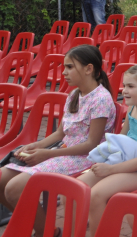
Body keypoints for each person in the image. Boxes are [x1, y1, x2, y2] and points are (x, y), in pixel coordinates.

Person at [0, 46, 115, 236]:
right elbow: (61, 133)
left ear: (88, 69)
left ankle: (46, 232)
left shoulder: (101, 99)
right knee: (1, 180)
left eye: (70, 67)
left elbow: (91, 144)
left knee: (13, 188)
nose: (64, 72)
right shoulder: (74, 94)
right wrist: (36, 146)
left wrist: (47, 154)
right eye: (64, 67)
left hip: (84, 157)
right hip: (63, 151)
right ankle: (43, 225)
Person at [79, 63, 137, 231]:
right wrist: (108, 160)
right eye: (124, 85)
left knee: (96, 195)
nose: (124, 90)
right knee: (80, 185)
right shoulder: (133, 108)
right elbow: (121, 140)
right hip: (128, 161)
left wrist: (111, 170)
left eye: (130, 86)